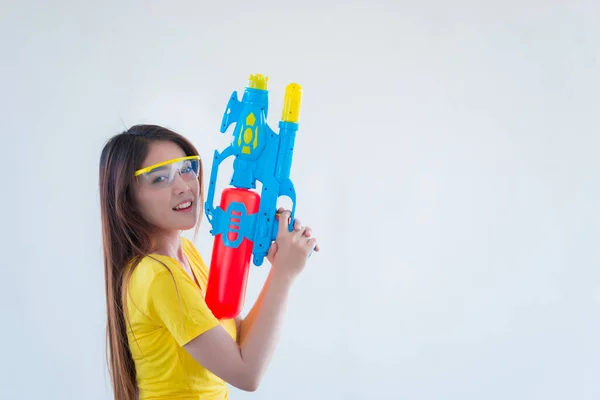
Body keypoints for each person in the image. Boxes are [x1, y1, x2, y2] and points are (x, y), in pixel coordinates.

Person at [98, 124, 319, 400]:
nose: (183, 186)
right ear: (128, 198)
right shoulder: (158, 276)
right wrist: (285, 275)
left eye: (186, 169)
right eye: (159, 179)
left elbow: (236, 341)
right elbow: (247, 374)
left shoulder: (185, 253)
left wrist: (279, 268)